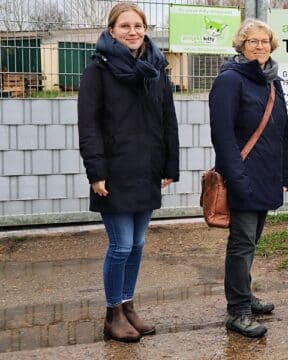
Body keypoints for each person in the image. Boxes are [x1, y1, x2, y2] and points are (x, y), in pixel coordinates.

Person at [78, 1, 178, 343]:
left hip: (147, 168)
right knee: (120, 245)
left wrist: (170, 165)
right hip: (114, 170)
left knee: (137, 243)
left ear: (145, 29)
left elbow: (168, 120)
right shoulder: (98, 71)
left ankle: (128, 305)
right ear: (112, 31)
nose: (133, 32)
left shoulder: (156, 68)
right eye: (125, 26)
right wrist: (96, 172)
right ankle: (112, 313)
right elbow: (88, 125)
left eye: (138, 26)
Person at [209, 19, 288, 338]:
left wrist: (285, 173)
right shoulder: (230, 80)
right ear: (241, 45)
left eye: (265, 41)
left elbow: (281, 132)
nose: (260, 46)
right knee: (242, 243)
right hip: (243, 175)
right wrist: (236, 177)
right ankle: (237, 311)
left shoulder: (272, 80)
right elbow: (223, 134)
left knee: (252, 240)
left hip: (268, 175)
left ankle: (245, 294)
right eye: (253, 41)